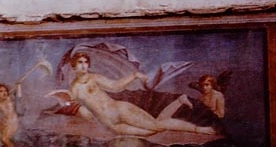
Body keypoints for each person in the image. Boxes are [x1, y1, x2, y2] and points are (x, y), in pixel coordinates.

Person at [68, 52, 216, 137]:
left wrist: (134, 75)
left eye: (85, 62)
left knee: (157, 126)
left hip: (120, 110)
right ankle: (179, 101)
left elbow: (115, 87)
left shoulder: (95, 78)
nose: (83, 65)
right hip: (111, 124)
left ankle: (199, 129)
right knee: (151, 132)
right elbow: (76, 107)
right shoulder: (74, 88)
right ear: (73, 66)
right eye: (80, 62)